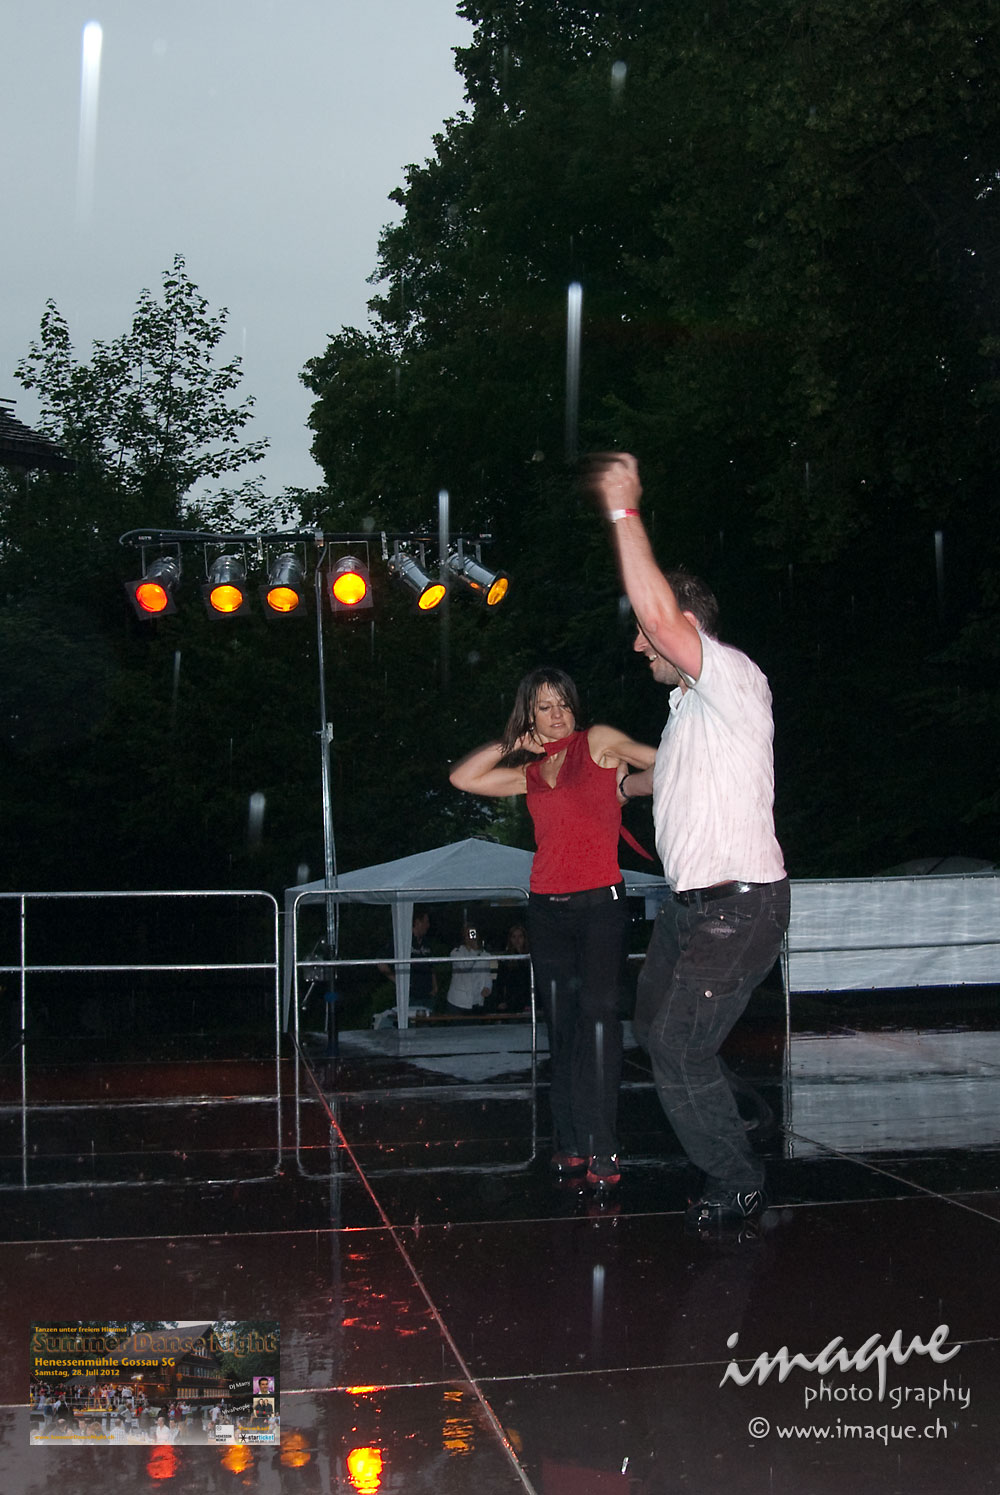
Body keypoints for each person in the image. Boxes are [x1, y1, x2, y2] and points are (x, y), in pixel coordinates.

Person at [588, 451, 790, 1228]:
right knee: (654, 1030)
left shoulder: (731, 676)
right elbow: (663, 778)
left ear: (680, 627)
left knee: (676, 1045)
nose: (640, 648)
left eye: (647, 634)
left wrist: (623, 508)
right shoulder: (688, 716)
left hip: (739, 907)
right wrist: (617, 786)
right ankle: (730, 1115)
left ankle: (738, 1179)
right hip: (689, 910)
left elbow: (663, 619)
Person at [450, 667, 656, 1190]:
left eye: (563, 702)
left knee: (599, 1019)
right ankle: (569, 1140)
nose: (557, 713)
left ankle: (603, 1144)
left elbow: (664, 760)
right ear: (530, 716)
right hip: (546, 909)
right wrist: (512, 743)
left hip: (600, 905)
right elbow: (463, 778)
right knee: (562, 1026)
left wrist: (627, 786)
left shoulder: (598, 742)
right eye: (544, 706)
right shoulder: (532, 772)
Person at [377, 907, 438, 1013]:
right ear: (417, 922)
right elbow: (380, 962)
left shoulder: (426, 943)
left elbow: (431, 966)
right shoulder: (403, 940)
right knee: (410, 1021)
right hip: (410, 996)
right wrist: (398, 982)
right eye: (426, 922)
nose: (428, 925)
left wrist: (435, 986)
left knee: (428, 1022)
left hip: (428, 996)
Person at [445, 923, 493, 1014]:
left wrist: (488, 987)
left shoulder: (485, 955)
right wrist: (474, 951)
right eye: (467, 934)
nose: (470, 937)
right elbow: (465, 967)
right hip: (457, 1002)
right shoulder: (456, 953)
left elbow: (487, 975)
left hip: (476, 1001)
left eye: (472, 933)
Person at [491, 923, 532, 1013]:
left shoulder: (531, 957)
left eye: (520, 936)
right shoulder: (506, 959)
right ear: (510, 939)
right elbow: (500, 982)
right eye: (514, 937)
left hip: (529, 1001)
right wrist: (501, 1001)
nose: (517, 940)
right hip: (512, 1002)